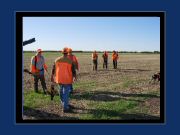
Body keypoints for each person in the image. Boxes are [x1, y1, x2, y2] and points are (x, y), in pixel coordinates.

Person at [51, 47, 76, 113]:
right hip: (67, 79)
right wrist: (74, 77)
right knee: (66, 93)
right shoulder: (70, 61)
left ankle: (64, 103)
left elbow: (53, 69)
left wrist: (52, 77)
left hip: (59, 79)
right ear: (67, 53)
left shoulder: (57, 60)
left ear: (62, 53)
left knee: (61, 91)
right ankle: (65, 108)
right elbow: (73, 71)